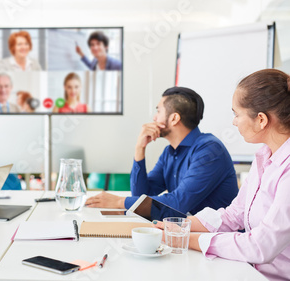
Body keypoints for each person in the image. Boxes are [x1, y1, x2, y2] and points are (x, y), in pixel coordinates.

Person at [157, 69, 290, 281]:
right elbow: (233, 214)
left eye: (237, 114)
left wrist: (184, 239)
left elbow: (261, 246)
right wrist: (182, 226)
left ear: (262, 120)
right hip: (247, 271)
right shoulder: (264, 157)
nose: (234, 122)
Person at [86, 87, 239, 214]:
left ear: (174, 119)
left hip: (218, 240)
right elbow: (141, 197)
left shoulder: (210, 150)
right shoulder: (170, 152)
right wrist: (140, 148)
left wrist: (120, 202)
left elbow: (177, 204)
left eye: (158, 111)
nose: (154, 117)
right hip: (190, 235)